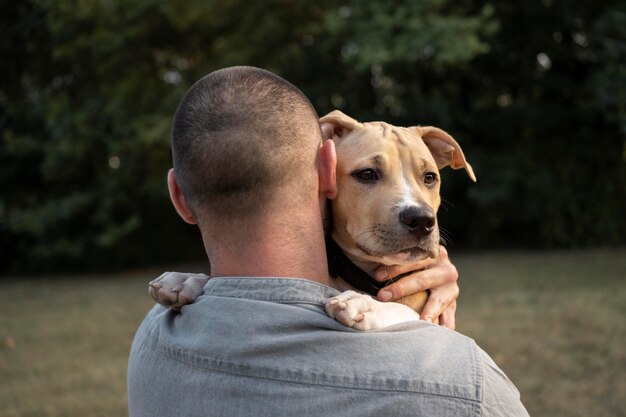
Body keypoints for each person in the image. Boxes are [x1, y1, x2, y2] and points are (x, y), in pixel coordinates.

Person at [127, 66, 529, 417]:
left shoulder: (152, 338)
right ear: (326, 169)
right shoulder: (469, 387)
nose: (420, 209)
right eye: (369, 175)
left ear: (179, 197)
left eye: (429, 178)